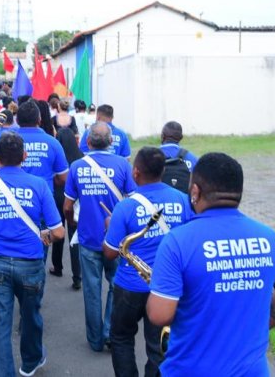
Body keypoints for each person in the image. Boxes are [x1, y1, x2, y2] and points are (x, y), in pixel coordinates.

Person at [147, 153, 275, 376]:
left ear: (195, 192)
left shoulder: (177, 241)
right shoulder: (270, 238)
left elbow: (159, 315)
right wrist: (255, 328)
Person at [0, 131, 65, 377]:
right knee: (31, 316)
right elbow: (59, 232)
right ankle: (30, 362)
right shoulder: (38, 185)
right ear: (24, 157)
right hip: (30, 262)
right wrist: (45, 236)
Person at [103, 147, 192, 377]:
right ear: (163, 171)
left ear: (135, 173)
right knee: (159, 346)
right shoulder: (183, 200)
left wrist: (109, 227)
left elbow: (111, 253)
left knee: (121, 337)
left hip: (130, 286)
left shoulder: (125, 206)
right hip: (167, 289)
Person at [64, 122, 137, 352]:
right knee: (117, 285)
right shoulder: (123, 166)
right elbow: (134, 201)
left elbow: (67, 205)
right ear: (111, 143)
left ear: (87, 142)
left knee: (92, 290)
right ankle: (109, 331)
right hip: (116, 240)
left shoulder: (76, 166)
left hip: (87, 237)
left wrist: (75, 221)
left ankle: (95, 339)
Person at [0, 101, 68, 199]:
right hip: (43, 199)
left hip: (12, 199)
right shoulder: (53, 143)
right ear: (39, 120)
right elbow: (64, 177)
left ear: (17, 120)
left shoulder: (7, 141)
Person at [49, 126, 84, 289]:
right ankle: (77, 275)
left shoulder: (56, 155)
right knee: (74, 236)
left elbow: (56, 178)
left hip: (57, 197)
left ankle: (57, 266)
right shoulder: (80, 157)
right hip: (75, 200)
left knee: (57, 233)